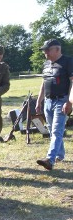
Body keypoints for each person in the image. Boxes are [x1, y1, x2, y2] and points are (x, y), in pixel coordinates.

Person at [36, 39, 73, 171]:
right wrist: (39, 101)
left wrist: (69, 102)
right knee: (52, 130)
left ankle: (50, 160)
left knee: (57, 131)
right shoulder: (46, 63)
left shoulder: (68, 62)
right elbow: (43, 83)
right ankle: (60, 155)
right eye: (44, 50)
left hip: (62, 101)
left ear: (57, 49)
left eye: (48, 50)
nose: (45, 52)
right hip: (48, 101)